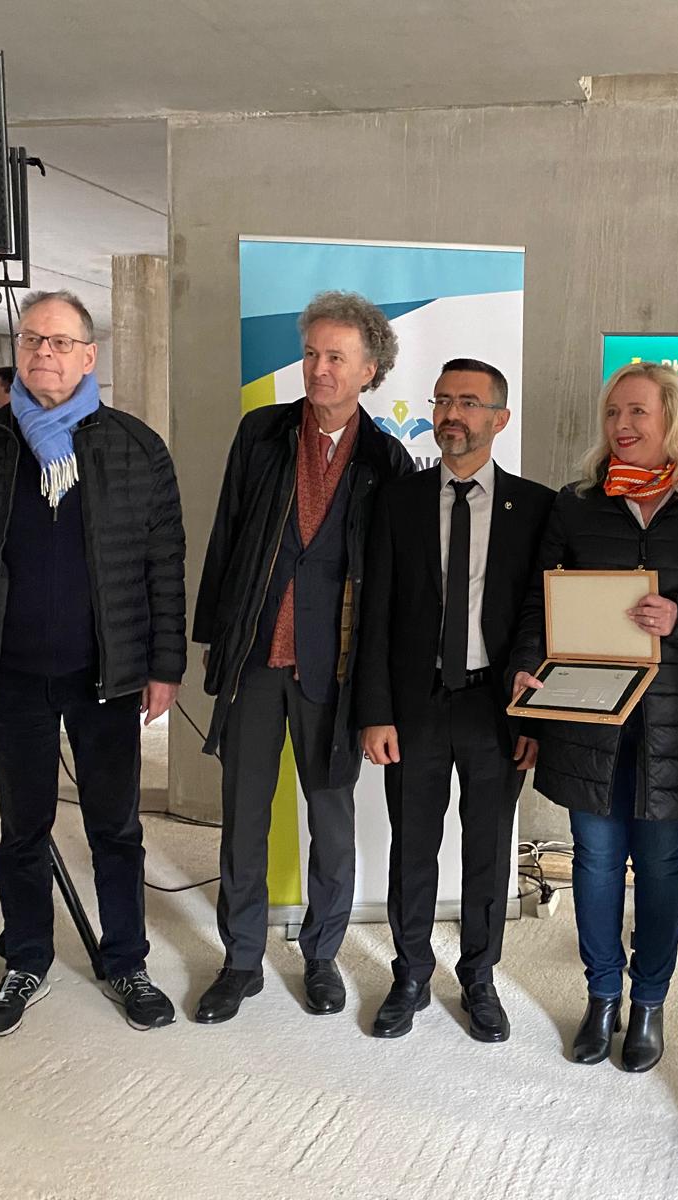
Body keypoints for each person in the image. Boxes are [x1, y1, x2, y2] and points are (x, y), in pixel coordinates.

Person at [0, 290, 186, 1036]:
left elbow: (164, 565)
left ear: (89, 355)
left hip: (104, 674)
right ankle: (28, 960)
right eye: (33, 340)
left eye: (61, 341)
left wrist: (164, 665)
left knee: (115, 828)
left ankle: (126, 961)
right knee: (22, 830)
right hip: (6, 676)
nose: (44, 352)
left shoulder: (136, 447)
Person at [509, 362, 678, 1071]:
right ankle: (602, 997)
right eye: (613, 412)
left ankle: (649, 1001)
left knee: (662, 862)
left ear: (672, 417)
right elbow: (538, 602)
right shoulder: (578, 503)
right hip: (586, 717)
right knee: (592, 859)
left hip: (677, 721)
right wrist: (525, 668)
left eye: (638, 412)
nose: (622, 425)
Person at [193, 290, 413, 1023]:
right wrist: (215, 640)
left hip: (335, 671)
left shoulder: (387, 461)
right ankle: (241, 960)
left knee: (332, 821)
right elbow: (227, 537)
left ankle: (321, 956)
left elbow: (389, 586)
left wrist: (382, 690)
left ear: (369, 370)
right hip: (257, 658)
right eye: (312, 354)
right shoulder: (260, 434)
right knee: (243, 817)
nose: (319, 369)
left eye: (336, 358)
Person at [355, 359, 554, 1042]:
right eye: (443, 400)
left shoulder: (536, 508)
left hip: (496, 709)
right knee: (412, 846)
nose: (451, 414)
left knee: (488, 850)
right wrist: (375, 711)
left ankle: (479, 977)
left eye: (469, 402)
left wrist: (536, 720)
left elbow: (542, 619)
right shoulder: (398, 502)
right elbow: (375, 615)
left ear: (500, 419)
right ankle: (410, 974)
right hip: (415, 705)